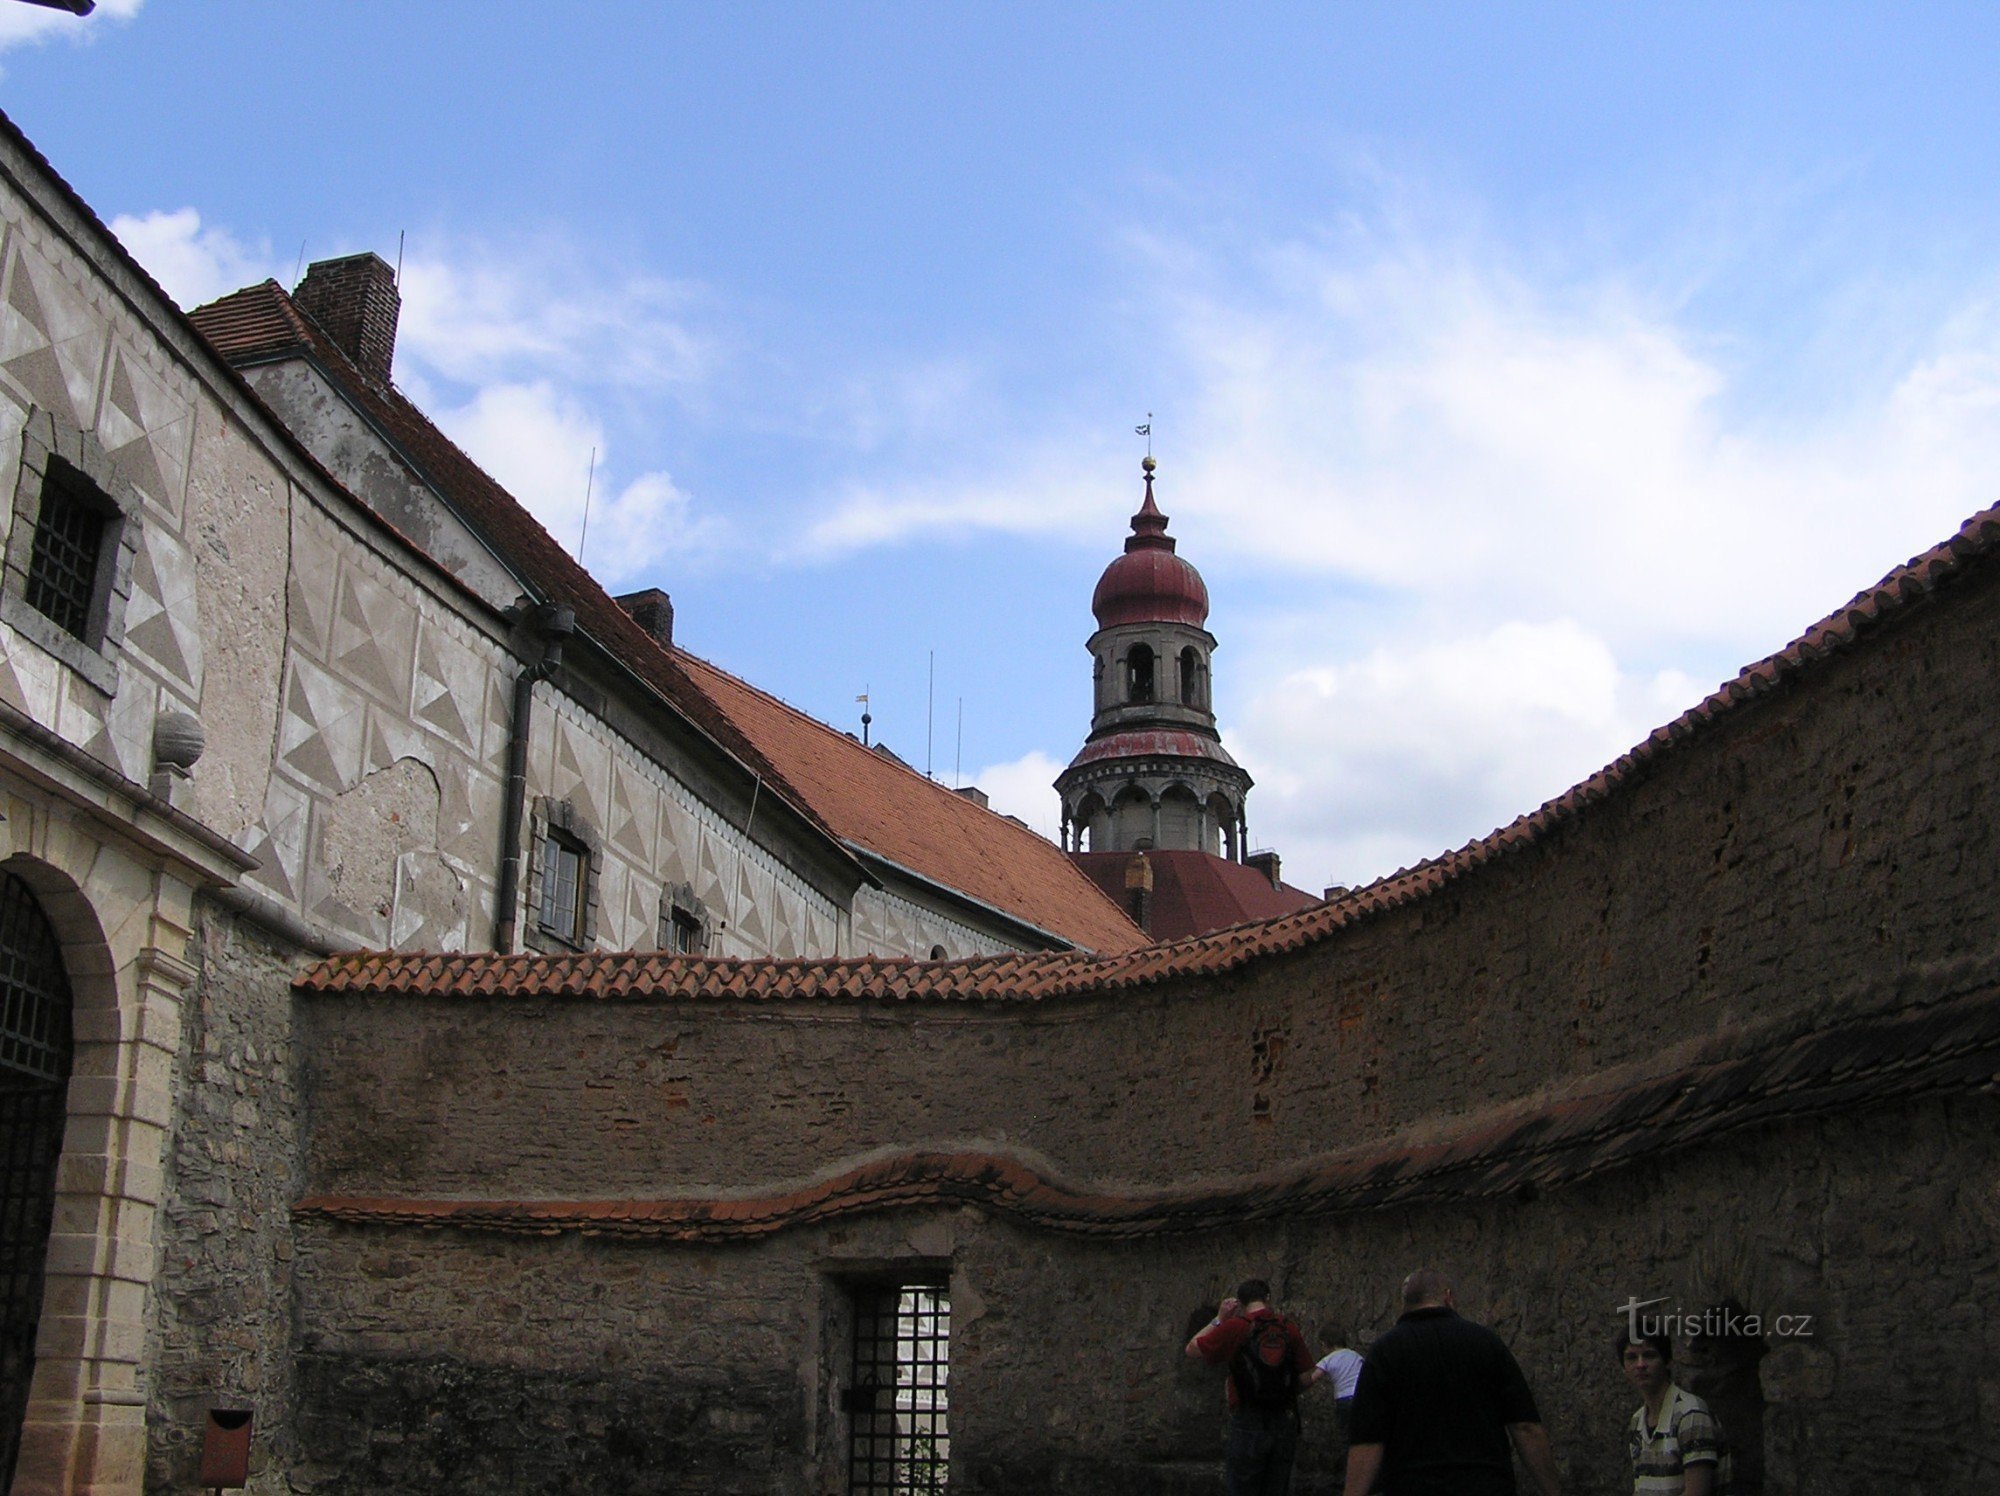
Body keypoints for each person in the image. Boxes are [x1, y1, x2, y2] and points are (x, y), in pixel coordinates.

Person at [1345, 1268, 1562, 1496]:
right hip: (1485, 1484)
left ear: (1404, 1303)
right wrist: (1553, 1490)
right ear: (1448, 1297)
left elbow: (1367, 1441)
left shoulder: (1384, 1352)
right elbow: (1525, 1426)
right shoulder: (1486, 1343)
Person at [1185, 1276, 1316, 1496]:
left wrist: (1219, 1318)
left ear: (1241, 1303)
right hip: (1283, 1420)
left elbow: (1192, 1349)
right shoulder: (1288, 1328)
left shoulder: (1237, 1327)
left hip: (1247, 1419)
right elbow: (1307, 1376)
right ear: (1268, 1298)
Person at [1619, 1328, 1724, 1496]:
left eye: (1649, 1355)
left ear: (1667, 1361)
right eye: (1632, 1357)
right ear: (1624, 1368)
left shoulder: (1691, 1414)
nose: (1640, 1365)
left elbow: (1697, 1492)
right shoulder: (1637, 1421)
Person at [1310, 1325, 1363, 1490]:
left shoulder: (1329, 1359)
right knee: (1362, 1437)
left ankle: (1350, 1479)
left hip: (1344, 1401)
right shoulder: (1355, 1355)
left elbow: (1312, 1377)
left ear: (1325, 1344)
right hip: (1361, 1398)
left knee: (1347, 1439)